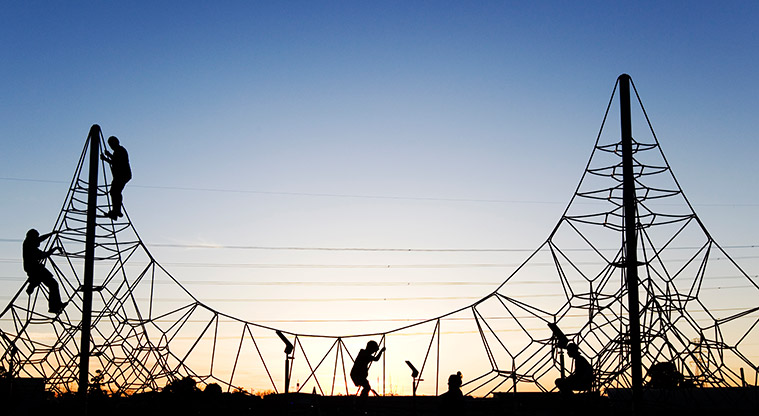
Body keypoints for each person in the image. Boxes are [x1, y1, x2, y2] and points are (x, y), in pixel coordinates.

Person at [23, 229, 67, 314]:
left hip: (35, 268)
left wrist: (51, 234)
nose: (39, 242)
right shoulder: (31, 247)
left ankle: (33, 283)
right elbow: (44, 255)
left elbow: (41, 239)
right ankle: (54, 306)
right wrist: (55, 248)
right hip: (35, 269)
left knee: (52, 284)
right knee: (53, 284)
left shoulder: (28, 243)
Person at [100, 136, 132, 219]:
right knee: (115, 192)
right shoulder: (117, 151)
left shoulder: (120, 150)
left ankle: (116, 211)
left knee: (115, 191)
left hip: (122, 175)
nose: (111, 146)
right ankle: (116, 211)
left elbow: (117, 162)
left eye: (111, 144)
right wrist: (108, 156)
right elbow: (115, 161)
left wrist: (107, 157)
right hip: (121, 175)